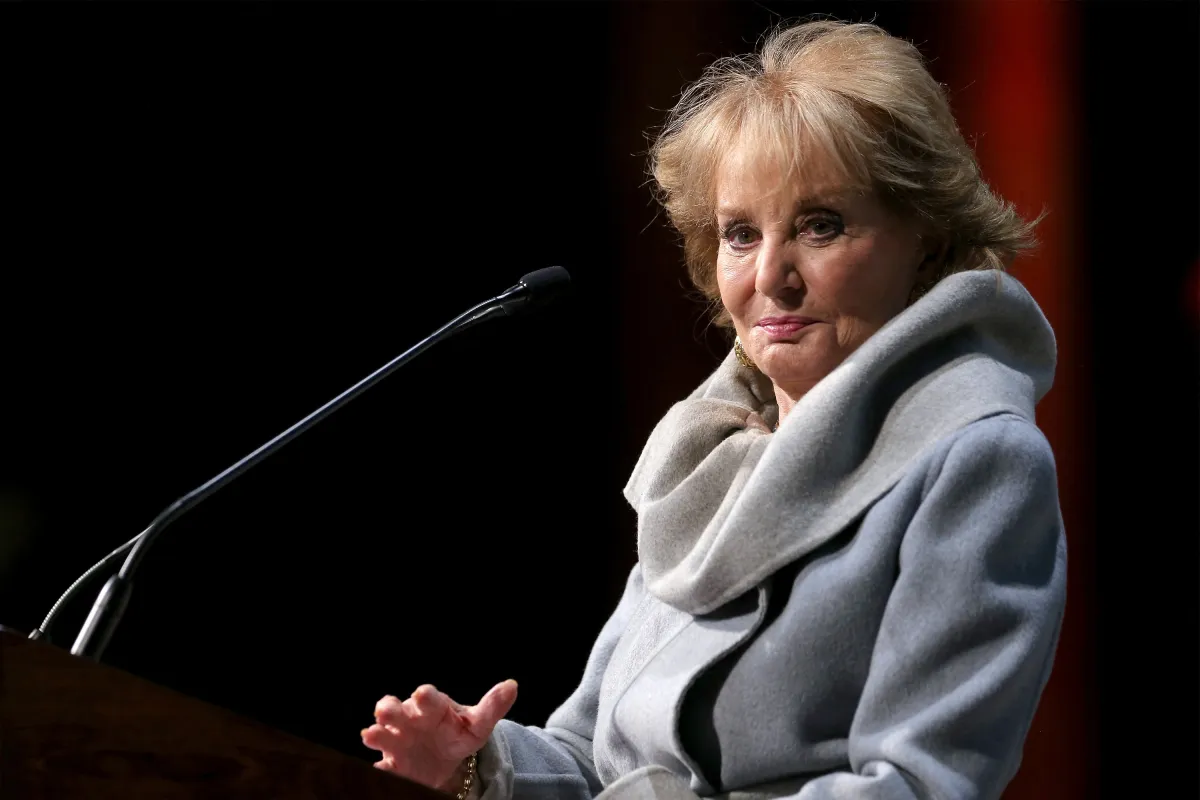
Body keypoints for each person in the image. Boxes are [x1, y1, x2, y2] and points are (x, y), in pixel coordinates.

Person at [361, 19, 1066, 800]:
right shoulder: (708, 454)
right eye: (739, 233)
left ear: (926, 240)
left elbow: (919, 784)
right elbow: (596, 755)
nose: (771, 275)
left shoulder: (975, 458)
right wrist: (480, 766)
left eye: (820, 225)